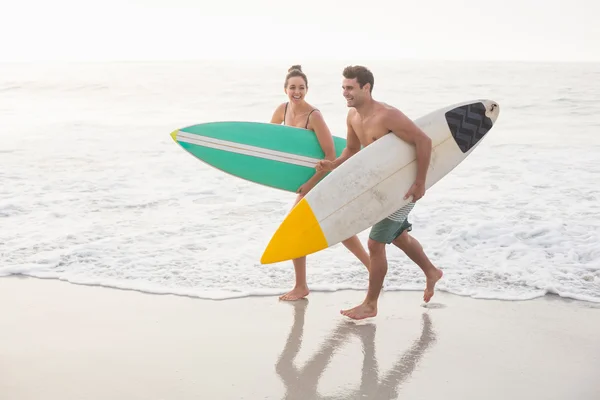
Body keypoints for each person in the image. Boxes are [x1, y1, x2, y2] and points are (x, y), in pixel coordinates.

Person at [316, 65, 443, 320]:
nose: (345, 93)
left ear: (366, 87)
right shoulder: (353, 116)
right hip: (383, 188)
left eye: (350, 88)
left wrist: (420, 182)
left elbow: (424, 141)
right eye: (343, 87)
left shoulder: (387, 116)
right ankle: (431, 271)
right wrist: (332, 165)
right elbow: (351, 151)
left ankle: (370, 304)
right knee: (397, 236)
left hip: (404, 187)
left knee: (375, 243)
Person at [270, 65, 371, 301]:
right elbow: (272, 144)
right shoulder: (281, 110)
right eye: (292, 87)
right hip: (306, 179)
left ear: (307, 89)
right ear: (285, 89)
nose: (297, 91)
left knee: (295, 227)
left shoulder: (313, 115)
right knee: (340, 228)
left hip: (325, 176)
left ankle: (301, 286)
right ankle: (373, 269)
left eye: (301, 87)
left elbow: (329, 155)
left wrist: (309, 184)